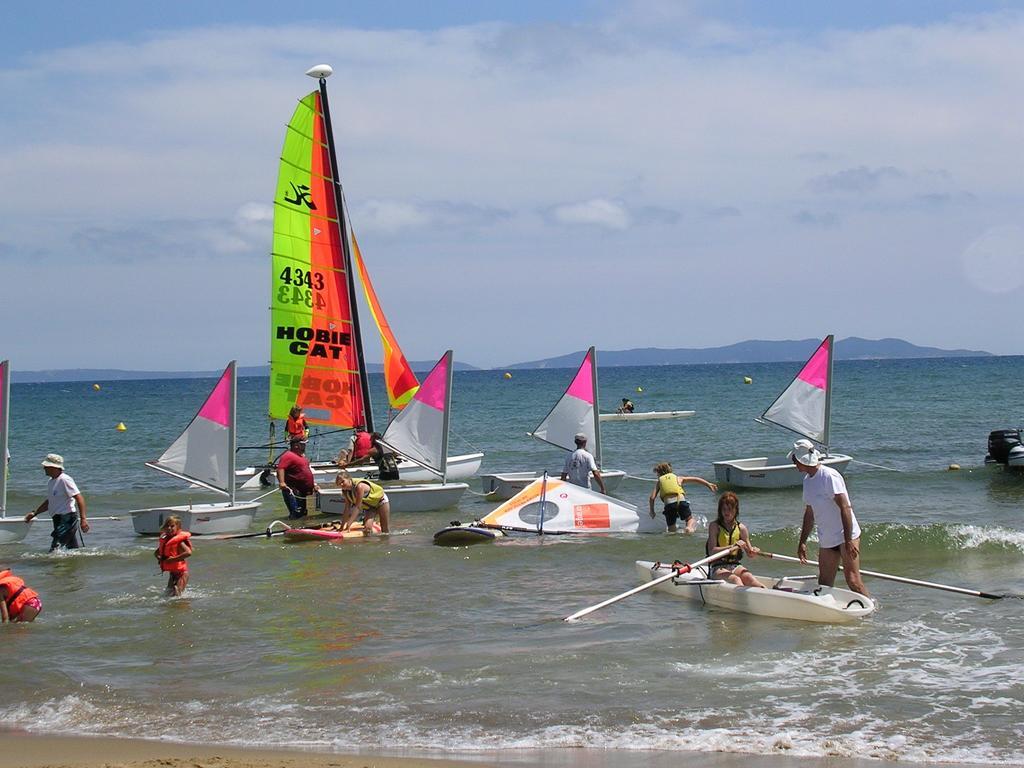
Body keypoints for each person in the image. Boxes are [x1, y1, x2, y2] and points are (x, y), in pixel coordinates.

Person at [790, 439, 868, 596]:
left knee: (853, 581)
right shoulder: (807, 482)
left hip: (846, 535)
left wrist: (847, 541)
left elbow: (845, 507)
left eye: (795, 460)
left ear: (802, 460)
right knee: (824, 583)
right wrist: (802, 542)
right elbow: (809, 513)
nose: (794, 464)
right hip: (827, 538)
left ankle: (871, 611)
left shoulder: (829, 476)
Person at [24, 453, 90, 551]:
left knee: (55, 549)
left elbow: (79, 497)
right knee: (72, 549)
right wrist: (35, 513)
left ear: (54, 467)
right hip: (57, 519)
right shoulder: (51, 481)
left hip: (67, 518)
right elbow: (50, 501)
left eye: (46, 466)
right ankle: (77, 564)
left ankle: (53, 565)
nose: (44, 468)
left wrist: (83, 519)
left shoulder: (65, 479)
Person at [705, 492, 766, 587]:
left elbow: (750, 554)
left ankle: (766, 593)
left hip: (735, 566)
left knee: (750, 578)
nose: (726, 512)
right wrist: (732, 546)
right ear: (720, 510)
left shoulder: (742, 528)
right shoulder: (714, 526)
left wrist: (754, 551)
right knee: (736, 579)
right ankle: (743, 599)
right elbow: (711, 551)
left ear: (735, 510)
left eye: (730, 509)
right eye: (724, 509)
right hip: (717, 567)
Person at [648, 461, 717, 533]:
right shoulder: (678, 478)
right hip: (681, 502)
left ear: (659, 473)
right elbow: (696, 479)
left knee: (671, 528)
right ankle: (689, 528)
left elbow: (652, 498)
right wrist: (708, 484)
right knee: (689, 519)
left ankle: (674, 534)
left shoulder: (660, 481)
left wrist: (652, 511)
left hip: (669, 505)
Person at [277, 438, 319, 519]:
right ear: (296, 445)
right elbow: (280, 468)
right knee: (296, 513)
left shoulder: (301, 457)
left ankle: (301, 528)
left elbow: (305, 472)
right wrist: (282, 482)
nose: (305, 446)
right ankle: (294, 528)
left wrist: (313, 485)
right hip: (293, 490)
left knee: (303, 513)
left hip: (302, 491)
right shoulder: (288, 455)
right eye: (303, 444)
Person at [155, 515, 192, 597]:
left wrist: (173, 559)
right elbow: (156, 553)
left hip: (182, 573)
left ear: (178, 527)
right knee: (168, 595)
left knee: (177, 597)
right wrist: (160, 558)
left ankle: (182, 608)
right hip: (173, 574)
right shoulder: (166, 540)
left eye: (172, 526)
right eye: (167, 526)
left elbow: (188, 552)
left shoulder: (179, 541)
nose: (169, 528)